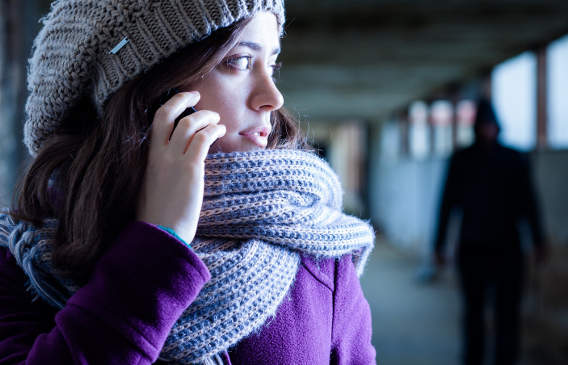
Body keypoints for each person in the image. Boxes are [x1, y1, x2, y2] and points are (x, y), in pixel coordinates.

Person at [0, 1, 376, 364]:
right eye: (239, 62)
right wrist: (160, 240)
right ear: (149, 89)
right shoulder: (23, 257)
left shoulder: (318, 253)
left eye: (272, 66)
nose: (272, 98)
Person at [433, 98, 547, 365]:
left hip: (509, 249)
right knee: (473, 313)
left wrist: (539, 240)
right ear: (475, 128)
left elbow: (530, 202)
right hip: (472, 248)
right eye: (483, 125)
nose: (487, 130)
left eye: (490, 125)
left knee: (508, 314)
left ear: (498, 127)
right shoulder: (461, 160)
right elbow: (446, 204)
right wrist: (438, 244)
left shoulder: (514, 159)